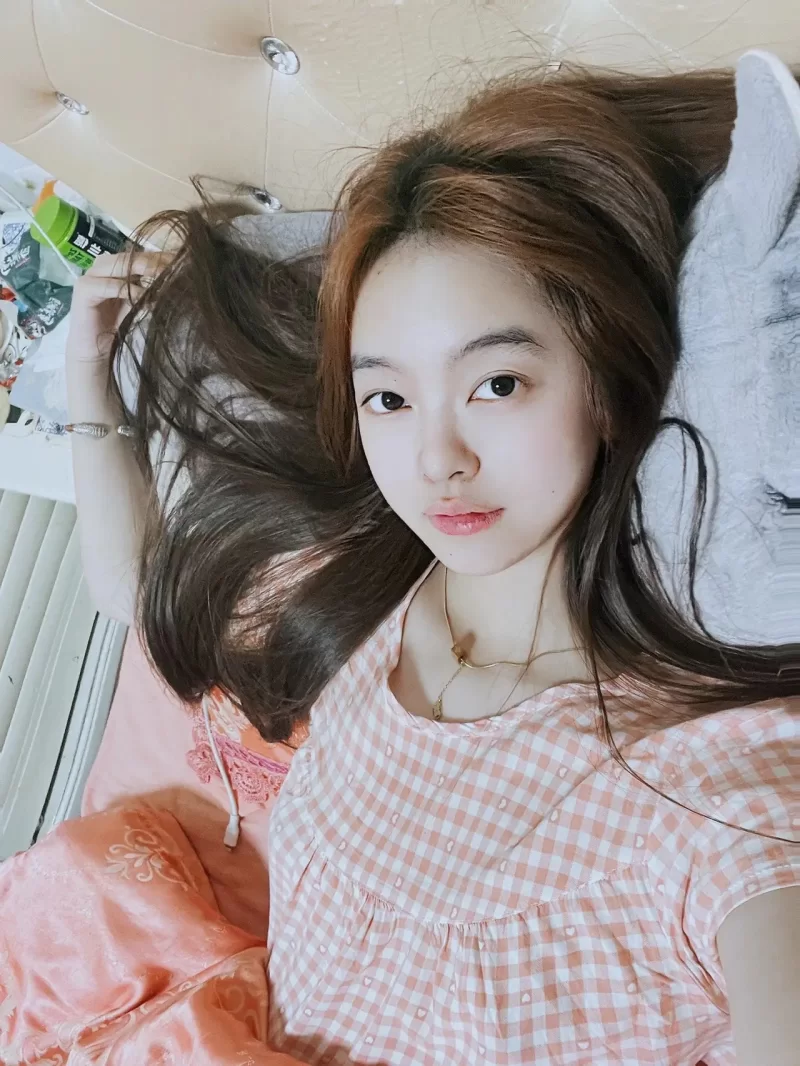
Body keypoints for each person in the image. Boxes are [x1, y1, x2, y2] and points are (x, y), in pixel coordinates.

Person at [65, 64, 797, 1065]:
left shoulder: (706, 776)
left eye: (497, 383)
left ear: (608, 379)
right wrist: (90, 384)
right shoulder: (366, 588)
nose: (437, 460)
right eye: (389, 399)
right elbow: (134, 592)